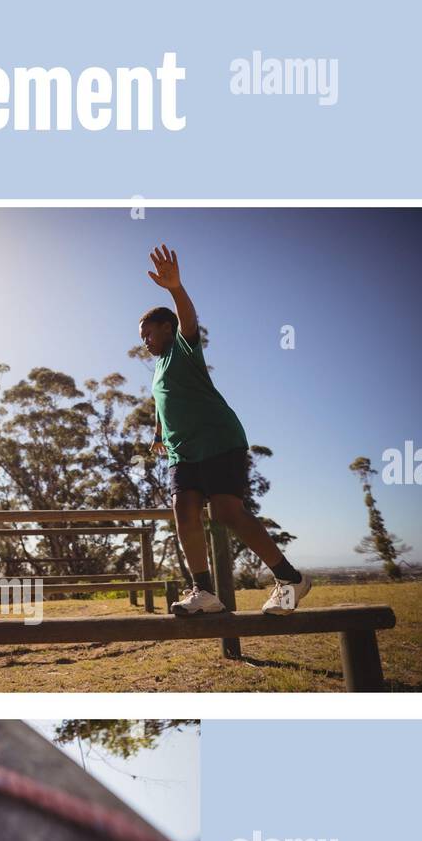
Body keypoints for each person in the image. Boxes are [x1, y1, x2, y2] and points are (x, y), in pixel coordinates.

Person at [142, 244, 311, 616]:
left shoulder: (183, 348)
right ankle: (204, 591)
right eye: (143, 337)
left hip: (218, 439)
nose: (146, 341)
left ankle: (290, 579)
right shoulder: (157, 369)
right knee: (183, 510)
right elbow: (163, 400)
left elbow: (188, 319)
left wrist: (175, 288)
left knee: (225, 512)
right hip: (182, 450)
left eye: (150, 333)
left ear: (167, 329)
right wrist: (157, 433)